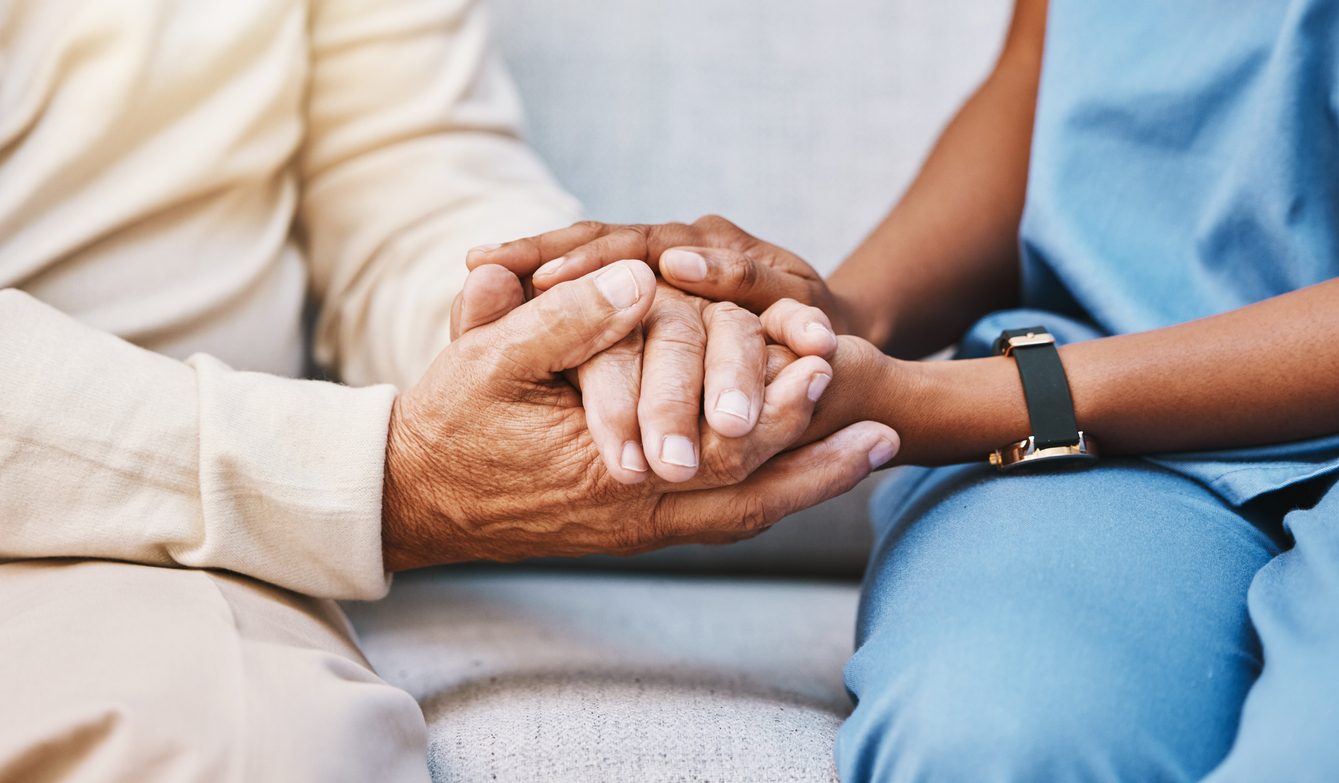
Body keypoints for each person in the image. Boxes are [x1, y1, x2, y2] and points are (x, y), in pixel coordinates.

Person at [0, 1, 897, 778]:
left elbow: (402, 175)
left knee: (252, 746)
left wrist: (567, 327)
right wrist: (373, 475)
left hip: (152, 549)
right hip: (160, 479)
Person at [474, 0, 1339, 778]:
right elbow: (1046, 69)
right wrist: (836, 315)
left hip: (1053, 401)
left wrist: (955, 402)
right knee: (992, 736)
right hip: (1111, 451)